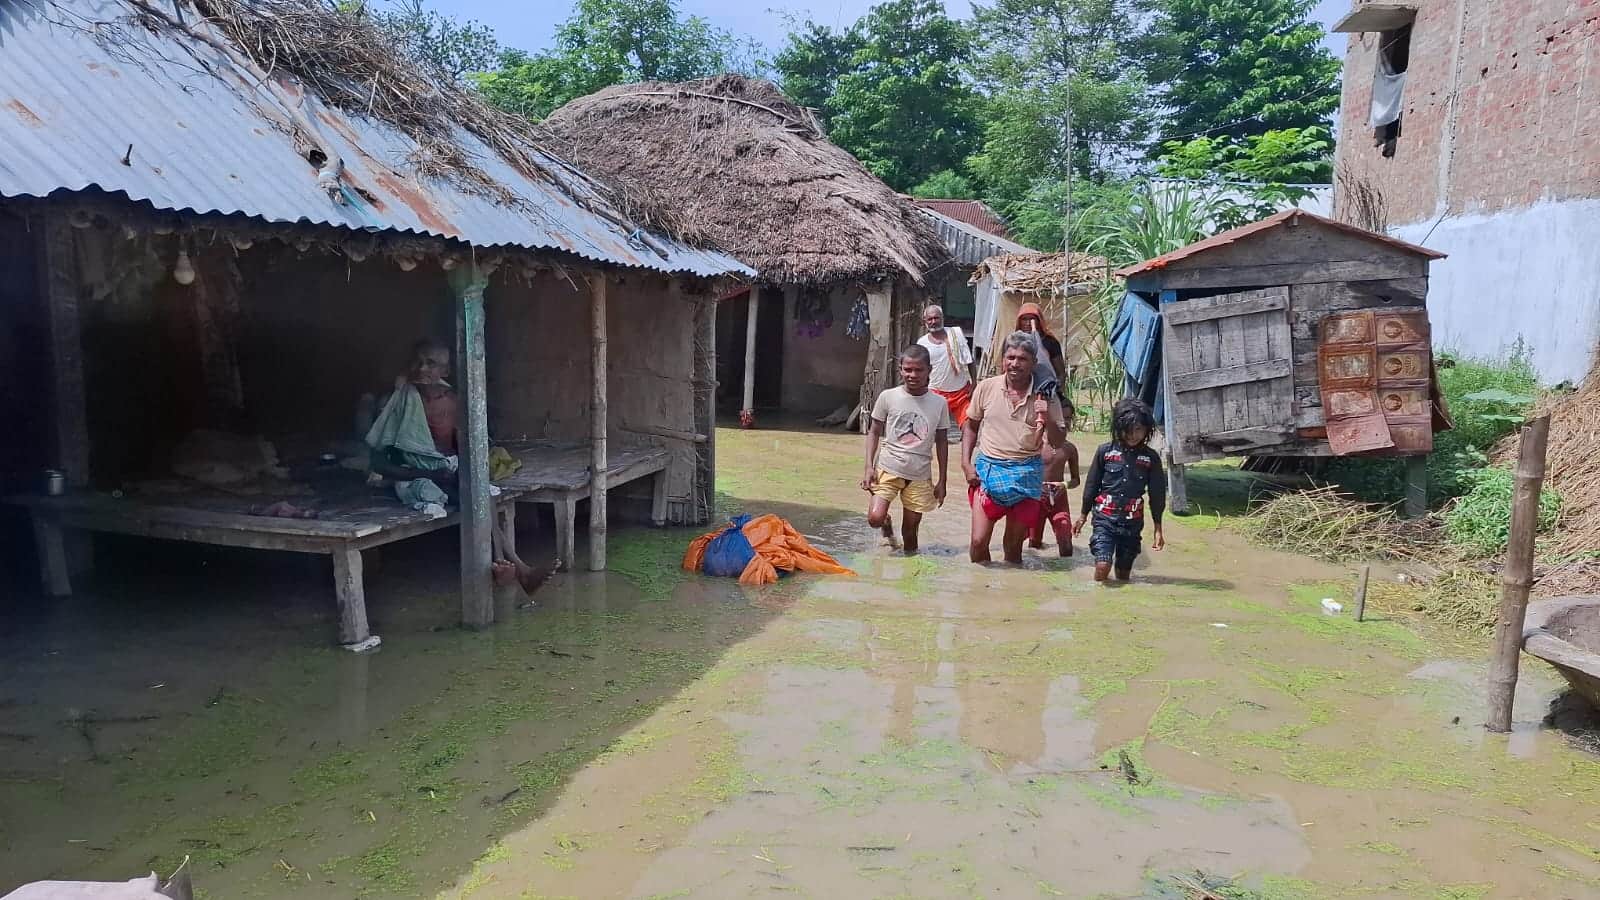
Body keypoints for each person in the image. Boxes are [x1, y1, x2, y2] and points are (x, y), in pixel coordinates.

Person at [366, 338, 552, 593]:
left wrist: (454, 470)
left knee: (477, 489)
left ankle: (508, 564)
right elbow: (378, 463)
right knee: (474, 493)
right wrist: (426, 472)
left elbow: (464, 451)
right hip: (411, 477)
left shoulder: (453, 401)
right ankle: (515, 567)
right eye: (418, 362)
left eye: (431, 364)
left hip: (445, 474)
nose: (422, 369)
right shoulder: (397, 401)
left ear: (445, 372)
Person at [962, 332, 1066, 564]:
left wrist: (1047, 416)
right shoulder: (986, 388)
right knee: (978, 543)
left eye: (1022, 359)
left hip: (1027, 474)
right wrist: (966, 464)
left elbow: (1058, 442)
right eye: (1010, 357)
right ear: (1002, 360)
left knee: (1013, 548)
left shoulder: (1046, 397)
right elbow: (970, 427)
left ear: (1033, 363)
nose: (1015, 364)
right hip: (989, 471)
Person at [863, 345, 950, 555]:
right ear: (900, 370)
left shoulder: (939, 403)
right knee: (875, 518)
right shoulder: (888, 396)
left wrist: (943, 480)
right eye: (907, 370)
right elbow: (874, 431)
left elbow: (942, 441)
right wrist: (868, 467)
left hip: (919, 473)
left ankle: (910, 575)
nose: (912, 375)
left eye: (919, 370)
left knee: (911, 533)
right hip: (888, 467)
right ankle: (886, 525)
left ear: (929, 370)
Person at [1075, 398, 1167, 582]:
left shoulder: (1150, 459)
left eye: (1139, 429)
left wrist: (1158, 528)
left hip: (1132, 524)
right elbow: (1091, 485)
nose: (1133, 435)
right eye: (1128, 430)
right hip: (1104, 519)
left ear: (1147, 429)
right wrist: (1083, 515)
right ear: (1119, 427)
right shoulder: (1105, 452)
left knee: (1123, 575)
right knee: (1102, 566)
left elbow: (1157, 495)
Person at [916, 304, 975, 428]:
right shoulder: (922, 343)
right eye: (930, 319)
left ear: (942, 318)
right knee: (933, 429)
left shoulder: (955, 334)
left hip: (961, 392)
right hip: (934, 392)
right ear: (925, 321)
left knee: (969, 426)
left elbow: (969, 360)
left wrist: (974, 383)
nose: (933, 322)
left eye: (936, 318)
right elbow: (920, 370)